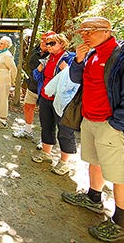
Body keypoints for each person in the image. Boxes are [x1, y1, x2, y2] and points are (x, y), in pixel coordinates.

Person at [61, 17, 124, 242]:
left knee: (119, 174)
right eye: (82, 31)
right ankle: (93, 197)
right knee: (94, 161)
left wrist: (117, 123)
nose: (85, 35)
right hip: (90, 120)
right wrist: (79, 61)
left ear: (107, 31)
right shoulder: (91, 53)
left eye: (90, 31)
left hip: (111, 124)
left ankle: (119, 222)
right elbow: (76, 78)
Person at [31, 33, 77, 176]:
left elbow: (75, 80)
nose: (49, 46)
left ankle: (64, 162)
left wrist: (66, 70)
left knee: (64, 129)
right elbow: (36, 76)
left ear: (62, 44)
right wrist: (39, 68)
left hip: (61, 100)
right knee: (46, 125)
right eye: (48, 43)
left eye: (53, 43)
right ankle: (46, 152)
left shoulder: (70, 59)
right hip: (45, 97)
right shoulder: (47, 58)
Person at [13, 31, 52, 139]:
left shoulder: (55, 56)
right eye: (43, 39)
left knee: (46, 115)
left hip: (46, 89)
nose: (44, 42)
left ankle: (45, 140)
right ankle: (28, 130)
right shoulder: (35, 51)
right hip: (33, 86)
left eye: (48, 40)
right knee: (28, 107)